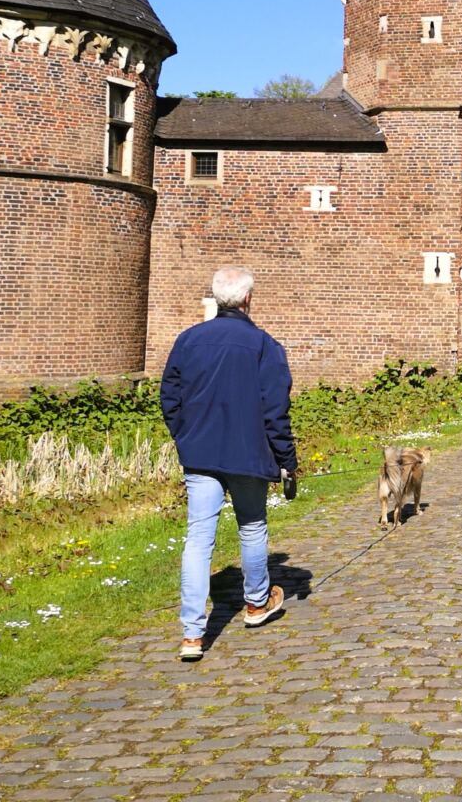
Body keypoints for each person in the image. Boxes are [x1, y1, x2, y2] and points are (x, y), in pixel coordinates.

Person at [161, 265, 297, 660]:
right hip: (249, 453)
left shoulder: (188, 340)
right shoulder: (264, 345)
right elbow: (276, 410)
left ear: (217, 296)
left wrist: (185, 435)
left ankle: (192, 634)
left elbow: (169, 397)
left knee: (198, 538)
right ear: (248, 298)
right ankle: (256, 603)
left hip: (200, 453)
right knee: (251, 527)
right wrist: (287, 459)